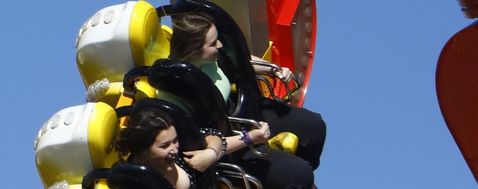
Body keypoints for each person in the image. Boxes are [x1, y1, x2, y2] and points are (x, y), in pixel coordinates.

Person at [169, 11, 323, 189]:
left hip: (241, 114)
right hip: (230, 147)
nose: (219, 45)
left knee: (314, 126)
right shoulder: (182, 92)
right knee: (301, 175)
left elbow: (240, 61)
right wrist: (251, 138)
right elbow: (208, 140)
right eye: (213, 44)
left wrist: (274, 70)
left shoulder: (210, 58)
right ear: (193, 50)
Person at [115, 106, 266, 189]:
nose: (174, 149)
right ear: (143, 149)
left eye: (174, 141)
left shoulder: (178, 152)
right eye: (164, 146)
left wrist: (211, 153)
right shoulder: (137, 180)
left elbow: (213, 136)